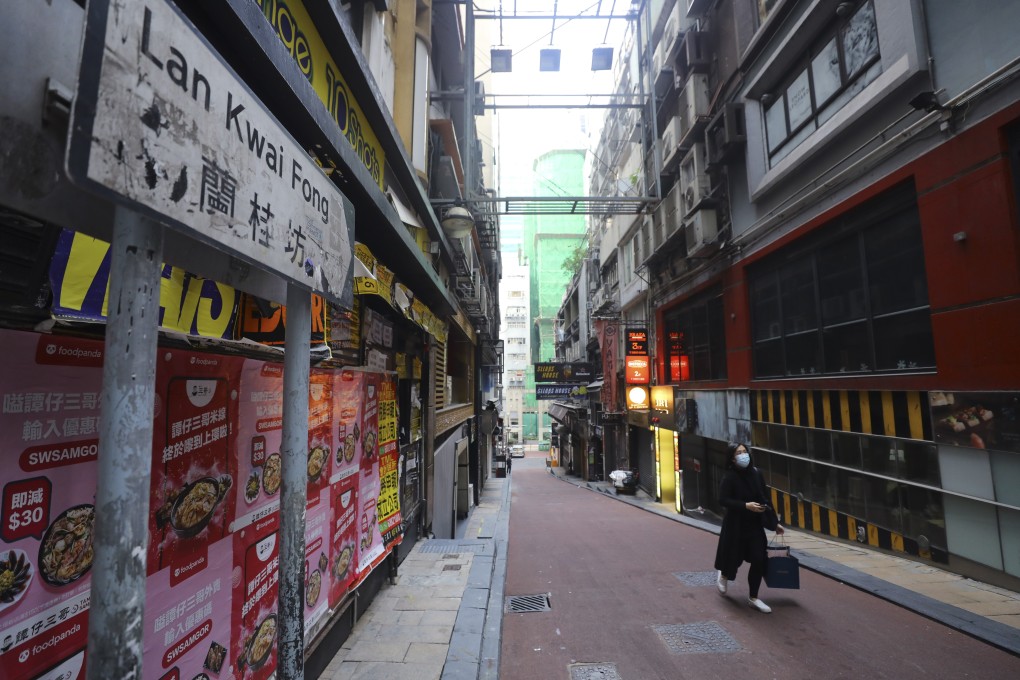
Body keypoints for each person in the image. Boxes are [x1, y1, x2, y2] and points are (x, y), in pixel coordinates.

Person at [713, 442, 784, 613]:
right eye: (739, 453)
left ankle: (754, 597)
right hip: (735, 526)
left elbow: (765, 498)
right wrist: (745, 505)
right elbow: (723, 500)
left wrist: (774, 523)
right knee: (733, 559)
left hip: (754, 526)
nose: (743, 455)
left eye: (745, 451)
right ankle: (724, 575)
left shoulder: (756, 474)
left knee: (759, 559)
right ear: (732, 457)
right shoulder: (729, 477)